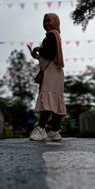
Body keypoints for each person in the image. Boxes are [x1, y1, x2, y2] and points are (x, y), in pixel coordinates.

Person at [29, 13, 66, 141]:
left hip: (51, 72)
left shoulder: (51, 35)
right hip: (57, 72)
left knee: (48, 98)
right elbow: (50, 55)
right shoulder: (56, 35)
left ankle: (41, 128)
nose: (46, 24)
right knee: (55, 99)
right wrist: (37, 55)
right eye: (44, 21)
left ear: (55, 21)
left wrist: (39, 49)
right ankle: (55, 131)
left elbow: (49, 54)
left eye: (49, 21)